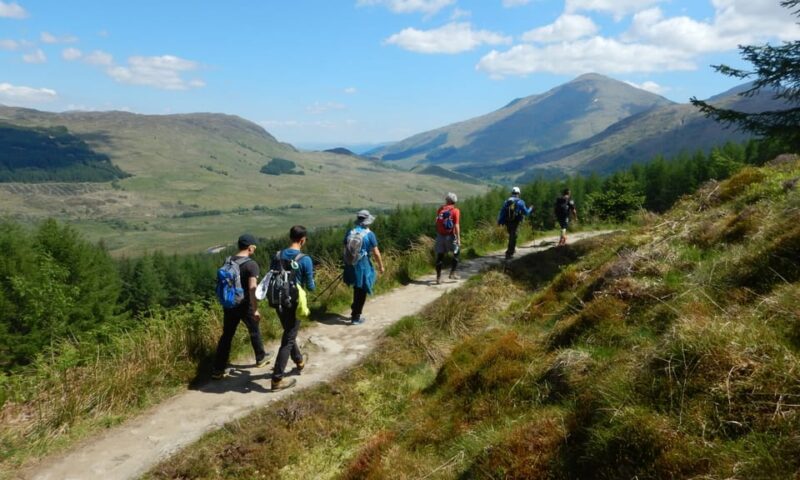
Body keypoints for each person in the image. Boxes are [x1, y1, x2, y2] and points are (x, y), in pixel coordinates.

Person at [212, 234, 271, 380]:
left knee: (227, 335)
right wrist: (255, 308)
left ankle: (218, 369)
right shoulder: (251, 265)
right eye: (254, 247)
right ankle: (260, 358)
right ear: (250, 248)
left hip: (230, 304)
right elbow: (252, 288)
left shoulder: (228, 261)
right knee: (254, 329)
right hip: (244, 305)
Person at [269, 225, 315, 391]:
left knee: (289, 331)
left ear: (290, 238)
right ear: (302, 240)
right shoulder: (305, 259)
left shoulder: (277, 256)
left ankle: (299, 361)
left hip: (277, 300)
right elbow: (310, 286)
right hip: (294, 303)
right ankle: (277, 379)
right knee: (288, 338)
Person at [343, 210, 385, 325]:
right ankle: (355, 317)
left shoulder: (350, 232)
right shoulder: (369, 234)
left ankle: (354, 308)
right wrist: (381, 266)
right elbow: (376, 253)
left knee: (357, 288)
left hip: (350, 264)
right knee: (362, 289)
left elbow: (346, 247)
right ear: (367, 221)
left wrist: (347, 261)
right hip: (363, 264)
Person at [497, 186, 533, 260]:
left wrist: (500, 222)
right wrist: (530, 209)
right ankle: (509, 253)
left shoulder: (507, 201)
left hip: (507, 222)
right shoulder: (520, 202)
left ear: (512, 193)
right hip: (516, 222)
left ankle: (511, 250)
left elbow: (502, 212)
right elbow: (526, 213)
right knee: (513, 237)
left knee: (511, 236)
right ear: (518, 193)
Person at [434, 192, 461, 284]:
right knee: (456, 252)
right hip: (450, 236)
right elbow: (456, 225)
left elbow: (436, 221)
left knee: (440, 257)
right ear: (454, 202)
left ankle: (438, 278)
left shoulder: (441, 209)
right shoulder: (455, 211)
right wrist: (458, 238)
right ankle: (452, 273)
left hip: (440, 236)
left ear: (448, 200)